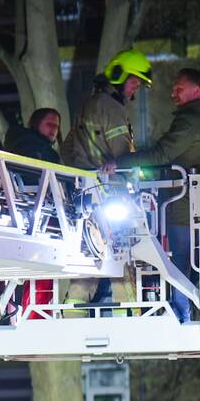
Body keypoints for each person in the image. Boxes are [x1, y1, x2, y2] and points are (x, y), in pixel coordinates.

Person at [109, 68, 200, 323]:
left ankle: (181, 318)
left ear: (196, 90)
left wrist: (119, 162)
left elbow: (161, 154)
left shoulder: (191, 119)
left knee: (179, 265)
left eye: (179, 88)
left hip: (186, 205)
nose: (173, 93)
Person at [62, 49, 152, 312]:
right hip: (109, 193)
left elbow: (68, 149)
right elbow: (124, 155)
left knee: (88, 256)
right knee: (120, 255)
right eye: (134, 82)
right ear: (118, 76)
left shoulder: (87, 104)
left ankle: (73, 314)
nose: (135, 89)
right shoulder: (112, 108)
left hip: (82, 192)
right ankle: (132, 315)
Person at [2, 108, 61, 320]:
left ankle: (25, 314)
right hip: (34, 221)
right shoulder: (35, 149)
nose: (54, 130)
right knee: (43, 267)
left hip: (28, 220)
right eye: (49, 124)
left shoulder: (23, 144)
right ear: (36, 124)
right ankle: (35, 317)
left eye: (56, 126)